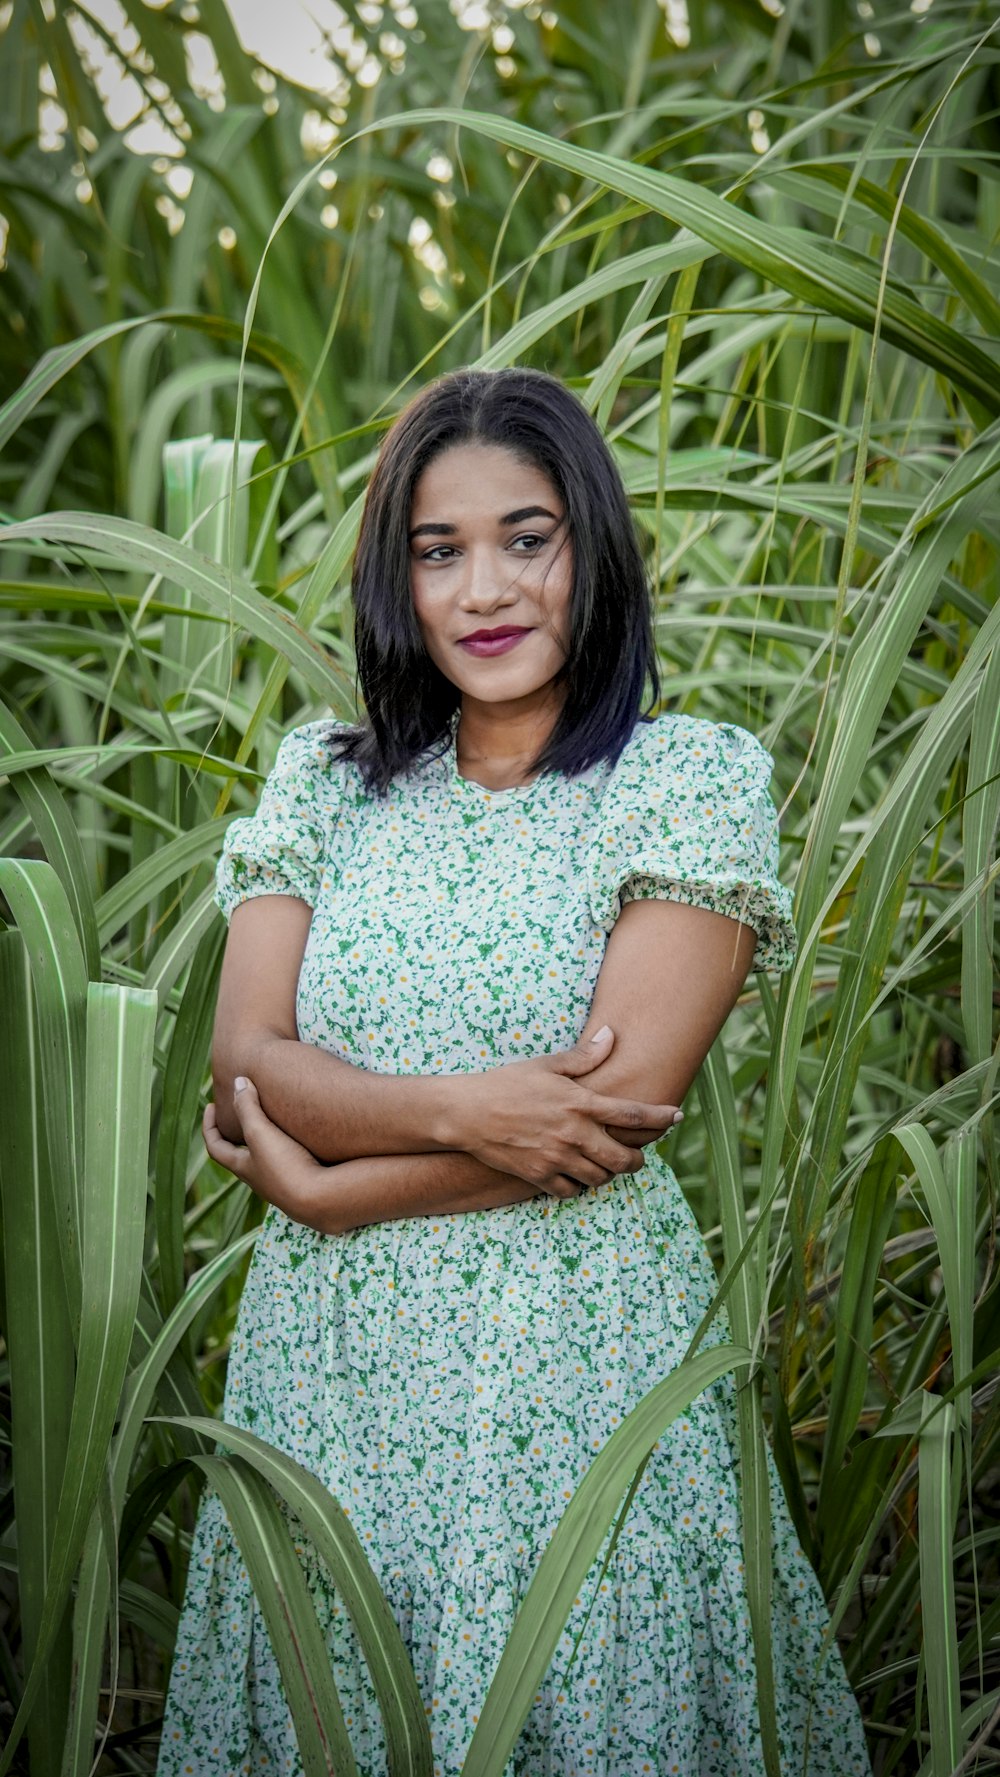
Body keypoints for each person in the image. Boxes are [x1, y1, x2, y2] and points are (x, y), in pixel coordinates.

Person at [157, 367, 871, 1776]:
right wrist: (464, 1109)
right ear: (397, 577)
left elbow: (610, 1118)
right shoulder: (325, 781)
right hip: (337, 1381)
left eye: (526, 537)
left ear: (589, 545)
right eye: (439, 549)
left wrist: (337, 1188)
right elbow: (247, 1060)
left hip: (582, 1370)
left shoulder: (685, 781)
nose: (484, 586)